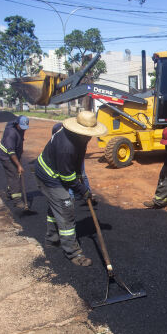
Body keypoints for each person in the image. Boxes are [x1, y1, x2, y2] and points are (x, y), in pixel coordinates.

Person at [34, 111, 107, 267]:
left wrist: (80, 174)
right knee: (66, 208)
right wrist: (83, 190)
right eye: (87, 134)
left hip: (54, 171)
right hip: (49, 177)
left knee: (56, 208)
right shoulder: (66, 147)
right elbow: (67, 177)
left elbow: (80, 155)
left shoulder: (78, 136)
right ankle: (73, 253)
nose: (89, 137)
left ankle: (52, 240)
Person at [0, 115, 30, 208]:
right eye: (22, 127)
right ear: (17, 124)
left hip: (14, 154)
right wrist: (19, 165)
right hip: (6, 156)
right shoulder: (11, 133)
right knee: (15, 175)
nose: (24, 129)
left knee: (12, 176)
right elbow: (10, 152)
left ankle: (9, 193)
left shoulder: (20, 129)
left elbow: (19, 142)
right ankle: (17, 200)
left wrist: (20, 155)